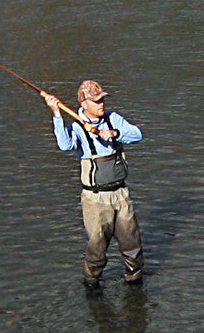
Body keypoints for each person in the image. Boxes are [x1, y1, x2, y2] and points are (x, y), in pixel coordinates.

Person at [42, 79, 145, 289]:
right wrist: (56, 114)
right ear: (84, 103)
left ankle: (135, 284)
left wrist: (115, 133)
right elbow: (64, 145)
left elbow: (137, 135)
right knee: (97, 250)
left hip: (121, 195)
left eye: (102, 100)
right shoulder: (77, 127)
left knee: (132, 247)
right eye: (96, 101)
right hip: (95, 199)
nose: (101, 105)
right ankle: (91, 286)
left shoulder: (113, 119)